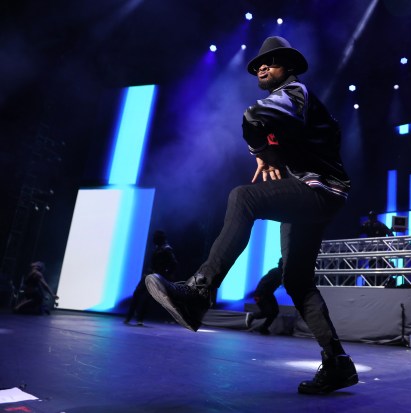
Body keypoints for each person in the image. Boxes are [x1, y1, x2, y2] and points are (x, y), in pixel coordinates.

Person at [145, 36, 358, 395]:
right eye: (260, 63)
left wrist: (260, 151)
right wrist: (268, 154)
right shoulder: (293, 108)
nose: (262, 66)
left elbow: (253, 117)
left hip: (319, 190)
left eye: (271, 61)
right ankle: (337, 362)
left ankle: (198, 293)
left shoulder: (295, 93)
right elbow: (271, 130)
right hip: (316, 194)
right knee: (297, 280)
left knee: (243, 198)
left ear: (288, 68)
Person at [124, 230, 177, 326]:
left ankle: (139, 319)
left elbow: (174, 263)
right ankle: (129, 317)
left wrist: (165, 274)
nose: (153, 239)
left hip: (156, 277)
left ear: (159, 238)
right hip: (149, 274)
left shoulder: (166, 249)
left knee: (147, 298)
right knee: (137, 293)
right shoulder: (159, 248)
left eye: (155, 237)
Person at [245, 257, 283, 335]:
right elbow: (264, 283)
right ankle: (252, 316)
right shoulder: (276, 272)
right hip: (261, 294)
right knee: (268, 312)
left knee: (275, 311)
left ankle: (263, 328)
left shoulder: (279, 272)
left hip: (268, 294)